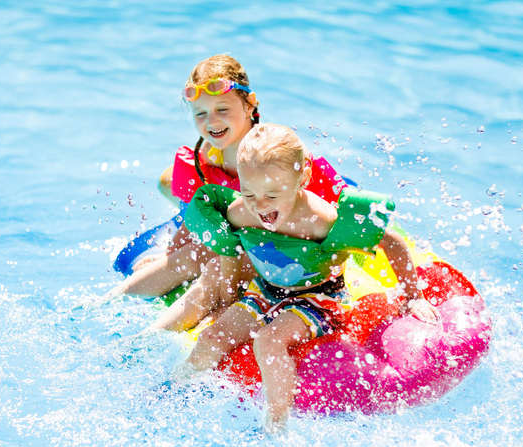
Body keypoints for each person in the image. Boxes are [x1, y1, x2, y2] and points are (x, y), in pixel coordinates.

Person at [180, 124, 439, 432]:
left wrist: (413, 297)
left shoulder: (319, 219)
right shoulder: (240, 211)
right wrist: (229, 298)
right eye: (249, 192)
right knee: (211, 337)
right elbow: (231, 251)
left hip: (318, 297)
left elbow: (391, 242)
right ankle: (176, 393)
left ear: (302, 178)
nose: (260, 206)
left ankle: (275, 427)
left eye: (272, 194)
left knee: (269, 342)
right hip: (264, 290)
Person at [100, 55, 346, 330]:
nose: (212, 121)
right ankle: (106, 304)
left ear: (250, 103)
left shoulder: (276, 155)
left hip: (274, 248)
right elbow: (197, 216)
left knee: (205, 252)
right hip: (233, 236)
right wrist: (169, 251)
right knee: (189, 234)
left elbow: (329, 209)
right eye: (200, 113)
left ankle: (147, 323)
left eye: (222, 109)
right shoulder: (206, 158)